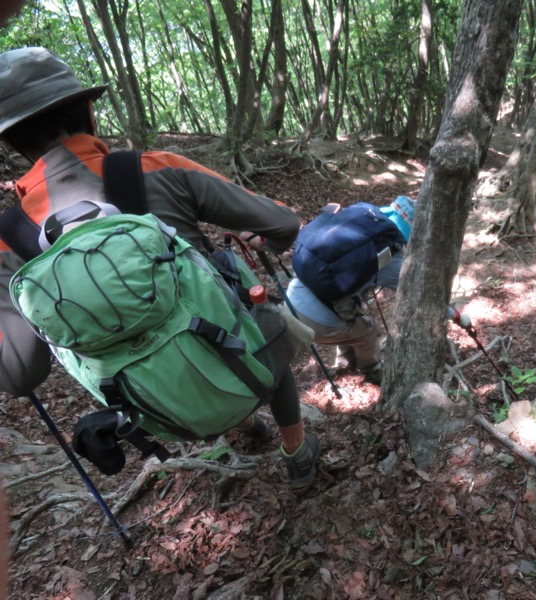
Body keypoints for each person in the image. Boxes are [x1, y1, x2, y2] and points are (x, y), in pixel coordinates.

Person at [0, 47, 320, 487]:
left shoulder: (10, 237)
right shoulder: (159, 168)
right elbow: (283, 222)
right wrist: (271, 237)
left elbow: (19, 374)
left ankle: (245, 427)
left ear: (13, 145)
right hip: (245, 361)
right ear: (90, 114)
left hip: (158, 412)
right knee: (260, 318)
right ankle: (297, 450)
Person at [286, 197, 416, 387]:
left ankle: (344, 365)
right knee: (368, 330)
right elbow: (419, 297)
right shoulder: (391, 256)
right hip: (317, 321)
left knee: (349, 317)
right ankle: (371, 372)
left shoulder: (361, 223)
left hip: (291, 297)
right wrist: (456, 316)